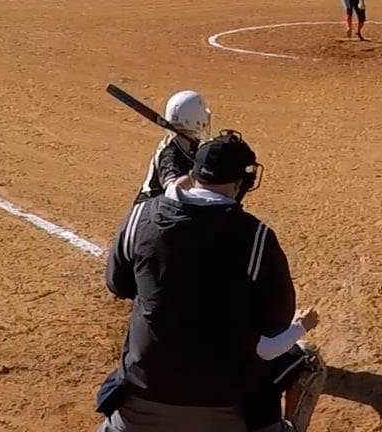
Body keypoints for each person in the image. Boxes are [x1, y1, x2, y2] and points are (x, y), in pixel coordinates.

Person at [96, 132, 310, 432]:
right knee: (306, 361)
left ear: (194, 174)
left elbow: (119, 284)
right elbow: (276, 322)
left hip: (140, 403)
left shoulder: (141, 216)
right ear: (242, 183)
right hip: (226, 410)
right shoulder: (256, 237)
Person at [132, 90, 213, 205]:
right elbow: (173, 190)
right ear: (196, 119)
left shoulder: (190, 145)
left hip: (167, 207)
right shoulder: (170, 154)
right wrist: (200, 174)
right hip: (151, 208)